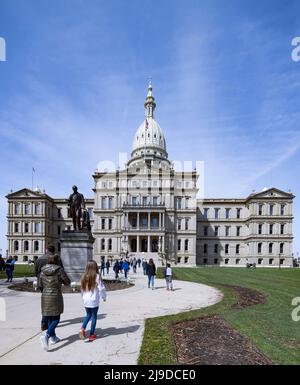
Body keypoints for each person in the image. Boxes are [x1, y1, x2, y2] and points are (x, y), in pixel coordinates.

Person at [38, 254, 70, 351]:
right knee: (56, 318)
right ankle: (47, 335)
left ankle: (53, 337)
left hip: (45, 295)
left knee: (49, 317)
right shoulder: (59, 270)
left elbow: (40, 285)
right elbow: (67, 282)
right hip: (55, 295)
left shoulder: (42, 271)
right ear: (57, 261)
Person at [35, 245, 64, 331]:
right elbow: (62, 271)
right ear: (54, 250)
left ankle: (44, 324)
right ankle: (49, 327)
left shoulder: (39, 259)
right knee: (52, 306)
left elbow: (36, 271)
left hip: (43, 284)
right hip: (54, 285)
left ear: (46, 249)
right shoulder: (57, 259)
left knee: (46, 304)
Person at [79, 261, 107, 342]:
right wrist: (104, 297)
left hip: (86, 299)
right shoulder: (97, 276)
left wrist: (83, 297)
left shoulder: (84, 276)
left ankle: (82, 328)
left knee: (88, 315)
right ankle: (91, 334)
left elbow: (82, 289)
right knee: (94, 316)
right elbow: (102, 288)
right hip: (94, 300)